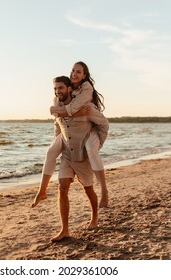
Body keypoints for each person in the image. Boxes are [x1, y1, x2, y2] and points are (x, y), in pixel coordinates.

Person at [32, 61, 109, 208]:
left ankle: (104, 191)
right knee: (50, 152)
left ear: (84, 75)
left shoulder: (86, 94)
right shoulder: (61, 97)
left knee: (92, 152)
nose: (74, 73)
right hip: (68, 135)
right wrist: (59, 142)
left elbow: (101, 122)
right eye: (73, 70)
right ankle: (41, 191)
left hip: (89, 132)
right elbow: (58, 123)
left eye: (79, 71)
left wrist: (99, 142)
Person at [47, 76, 109, 241]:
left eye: (60, 88)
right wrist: (58, 147)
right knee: (62, 188)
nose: (57, 91)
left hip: (83, 155)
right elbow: (57, 127)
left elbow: (103, 123)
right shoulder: (58, 107)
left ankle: (94, 217)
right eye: (55, 89)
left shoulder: (86, 107)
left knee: (88, 189)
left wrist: (97, 145)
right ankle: (65, 230)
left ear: (69, 89)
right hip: (67, 154)